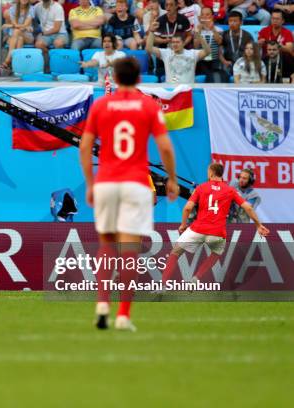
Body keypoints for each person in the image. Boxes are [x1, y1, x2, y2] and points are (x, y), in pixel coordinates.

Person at [80, 57, 179, 331]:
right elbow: (166, 148)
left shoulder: (101, 105)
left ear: (115, 77)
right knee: (129, 249)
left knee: (107, 245)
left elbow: (86, 147)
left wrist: (90, 183)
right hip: (135, 183)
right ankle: (123, 314)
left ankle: (102, 304)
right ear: (138, 78)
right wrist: (171, 179)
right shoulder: (148, 105)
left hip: (107, 181)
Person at [161, 163, 269, 285]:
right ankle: (196, 278)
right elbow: (248, 208)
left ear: (211, 172)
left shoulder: (201, 188)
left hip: (198, 229)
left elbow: (187, 208)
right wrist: (258, 225)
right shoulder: (230, 190)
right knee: (217, 253)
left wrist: (183, 224)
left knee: (175, 253)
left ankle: (162, 286)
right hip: (218, 233)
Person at [147, 24, 211, 83]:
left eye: (177, 42)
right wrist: (152, 32)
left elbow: (208, 51)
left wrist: (199, 37)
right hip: (171, 90)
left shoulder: (192, 54)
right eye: (173, 42)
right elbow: (149, 49)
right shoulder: (166, 53)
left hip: (187, 90)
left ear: (183, 43)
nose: (175, 44)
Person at [0, 0, 35, 71]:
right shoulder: (13, 8)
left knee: (16, 31)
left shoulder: (31, 9)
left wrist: (9, 25)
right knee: (19, 39)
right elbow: (16, 24)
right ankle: (17, 65)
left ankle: (7, 60)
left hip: (27, 36)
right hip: (14, 36)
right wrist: (16, 26)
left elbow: (24, 25)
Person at [195, 6, 227, 82]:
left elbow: (219, 42)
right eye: (202, 14)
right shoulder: (197, 29)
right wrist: (198, 31)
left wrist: (213, 29)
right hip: (201, 60)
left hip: (214, 59)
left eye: (207, 14)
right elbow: (196, 46)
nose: (204, 17)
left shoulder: (218, 29)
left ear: (212, 16)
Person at [35, 0, 68, 70]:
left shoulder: (57, 7)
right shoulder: (37, 6)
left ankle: (59, 67)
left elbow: (57, 28)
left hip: (60, 33)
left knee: (58, 43)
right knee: (39, 44)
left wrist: (42, 33)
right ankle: (49, 62)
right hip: (47, 35)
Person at [218, 11, 253, 75]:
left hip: (243, 63)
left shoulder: (247, 35)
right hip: (228, 63)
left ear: (241, 22)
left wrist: (246, 62)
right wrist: (224, 61)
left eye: (235, 21)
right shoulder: (224, 34)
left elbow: (252, 51)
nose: (232, 23)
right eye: (230, 21)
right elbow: (219, 51)